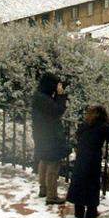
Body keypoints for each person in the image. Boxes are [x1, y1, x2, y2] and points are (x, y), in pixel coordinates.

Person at [66, 105, 109, 218]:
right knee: (92, 184)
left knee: (79, 181)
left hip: (81, 156)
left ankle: (78, 210)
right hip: (93, 158)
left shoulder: (85, 125)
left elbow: (78, 136)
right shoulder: (103, 127)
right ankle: (91, 211)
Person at [30, 73, 69, 205]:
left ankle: (43, 189)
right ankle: (52, 196)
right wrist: (61, 95)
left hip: (41, 134)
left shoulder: (38, 96)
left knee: (44, 160)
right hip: (50, 135)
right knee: (53, 163)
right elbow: (58, 110)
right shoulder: (44, 99)